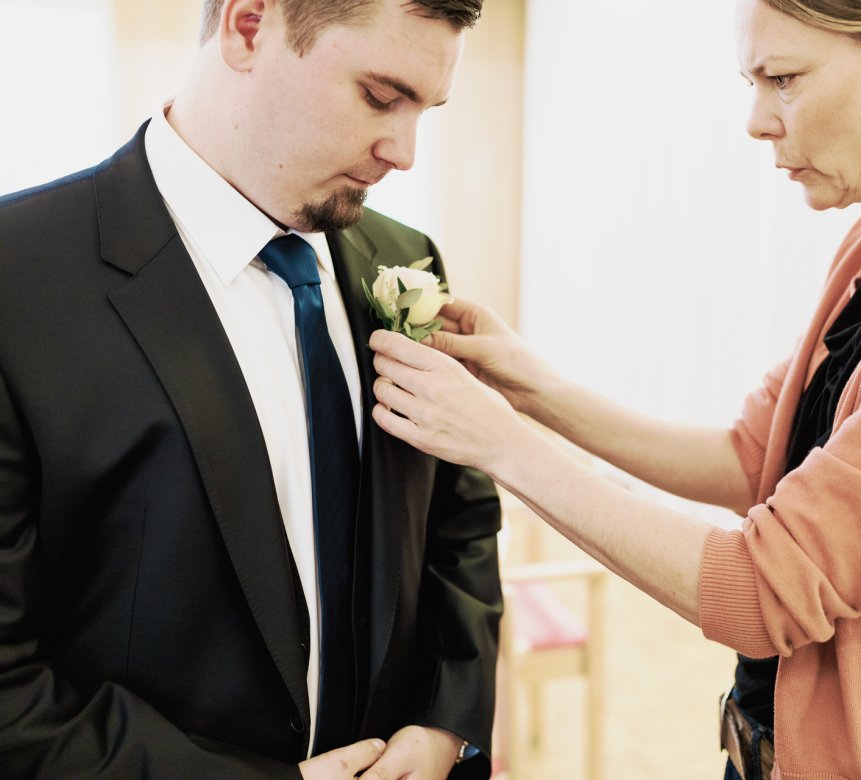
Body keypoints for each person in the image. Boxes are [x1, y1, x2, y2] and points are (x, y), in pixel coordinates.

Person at [366, 0, 861, 777]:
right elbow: (752, 457)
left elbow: (764, 593)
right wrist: (532, 391)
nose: (758, 121)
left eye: (784, 79)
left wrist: (499, 441)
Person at [0, 1, 502, 778]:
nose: (403, 152)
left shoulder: (406, 258)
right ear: (247, 25)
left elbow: (457, 522)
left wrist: (445, 724)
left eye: (425, 110)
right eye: (379, 96)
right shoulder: (18, 279)